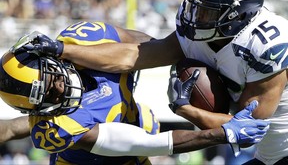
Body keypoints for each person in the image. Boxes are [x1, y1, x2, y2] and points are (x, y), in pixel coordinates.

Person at [24, 0, 288, 164]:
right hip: (270, 156)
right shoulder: (202, 34)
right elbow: (133, 55)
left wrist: (186, 110)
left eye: (207, 12)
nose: (195, 16)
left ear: (239, 14)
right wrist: (62, 50)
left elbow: (248, 128)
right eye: (195, 6)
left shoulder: (266, 46)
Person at [0, 21, 269, 165]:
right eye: (46, 97)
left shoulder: (82, 39)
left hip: (135, 126)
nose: (58, 89)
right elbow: (151, 144)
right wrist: (221, 135)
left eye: (52, 78)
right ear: (35, 109)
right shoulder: (56, 127)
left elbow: (151, 46)